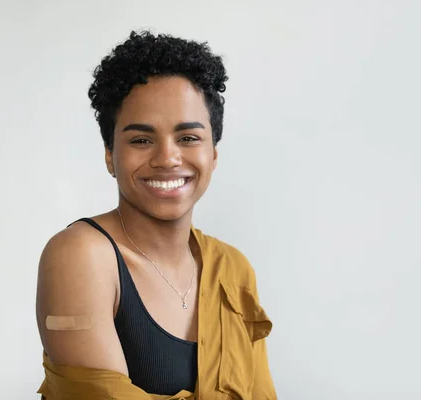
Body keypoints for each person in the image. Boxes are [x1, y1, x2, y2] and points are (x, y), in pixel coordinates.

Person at [35, 30, 276, 400]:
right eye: (141, 140)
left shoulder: (232, 269)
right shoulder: (80, 256)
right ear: (110, 157)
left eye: (188, 138)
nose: (167, 158)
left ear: (213, 155)